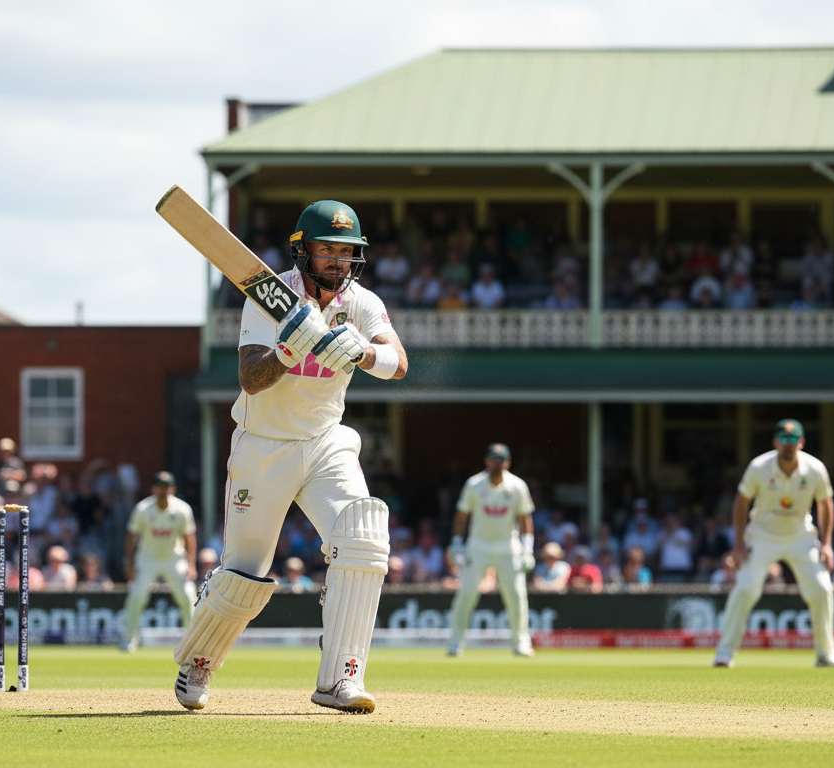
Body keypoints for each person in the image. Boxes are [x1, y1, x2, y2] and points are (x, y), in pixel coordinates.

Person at [171, 200, 407, 714]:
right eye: (327, 250)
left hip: (326, 442)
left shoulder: (361, 303)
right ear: (303, 251)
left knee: (362, 537)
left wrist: (362, 352)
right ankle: (199, 659)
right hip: (264, 446)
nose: (338, 262)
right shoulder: (266, 297)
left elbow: (398, 363)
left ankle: (341, 678)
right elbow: (249, 378)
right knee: (245, 572)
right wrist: (286, 352)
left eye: (347, 252)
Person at [713, 419, 834, 669]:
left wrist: (827, 544)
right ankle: (724, 653)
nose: (788, 444)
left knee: (821, 589)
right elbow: (741, 503)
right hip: (762, 535)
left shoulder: (814, 468)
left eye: (793, 439)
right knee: (745, 589)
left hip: (801, 536)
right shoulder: (759, 466)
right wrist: (739, 544)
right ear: (775, 442)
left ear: (801, 443)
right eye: (783, 440)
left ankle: (826, 654)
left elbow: (825, 503)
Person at [446, 443, 536, 657]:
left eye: (502, 459)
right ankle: (455, 642)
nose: (498, 463)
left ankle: (521, 643)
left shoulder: (517, 486)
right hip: (478, 547)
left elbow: (525, 519)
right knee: (466, 595)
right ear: (486, 461)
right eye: (494, 459)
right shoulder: (474, 484)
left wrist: (527, 549)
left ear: (508, 462)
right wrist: (457, 544)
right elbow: (462, 516)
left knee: (516, 597)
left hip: (508, 548)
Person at [120, 471, 198, 652]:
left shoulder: (182, 509)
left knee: (187, 596)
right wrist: (129, 563)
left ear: (173, 489)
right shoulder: (143, 509)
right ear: (153, 489)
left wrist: (191, 564)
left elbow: (189, 538)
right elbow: (131, 536)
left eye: (166, 488)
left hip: (174, 558)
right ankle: (129, 639)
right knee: (137, 596)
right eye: (159, 488)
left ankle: (192, 642)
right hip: (147, 558)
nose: (163, 492)